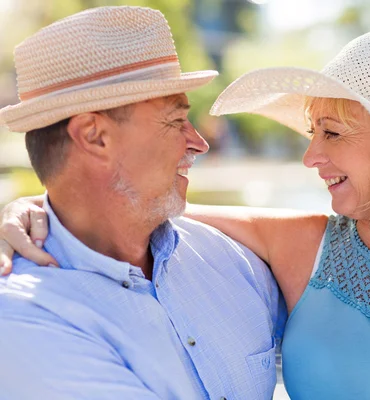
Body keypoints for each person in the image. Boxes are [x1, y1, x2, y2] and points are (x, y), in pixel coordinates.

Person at [0, 30, 370, 399]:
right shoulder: (302, 249)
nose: (310, 155)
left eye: (332, 132)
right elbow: (137, 208)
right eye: (311, 131)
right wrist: (33, 208)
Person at [0, 6, 285, 400]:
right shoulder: (22, 318)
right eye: (175, 121)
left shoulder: (231, 261)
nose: (199, 143)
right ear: (94, 136)